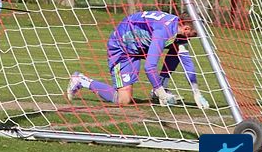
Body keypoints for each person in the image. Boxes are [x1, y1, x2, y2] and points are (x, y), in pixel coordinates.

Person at [67, 10, 211, 108]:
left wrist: (196, 92)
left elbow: (186, 61)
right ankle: (80, 80)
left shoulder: (176, 28)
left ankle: (160, 87)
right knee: (123, 100)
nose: (195, 37)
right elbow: (149, 67)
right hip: (122, 48)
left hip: (138, 46)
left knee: (177, 48)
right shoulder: (163, 31)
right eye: (195, 34)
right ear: (186, 28)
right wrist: (162, 94)